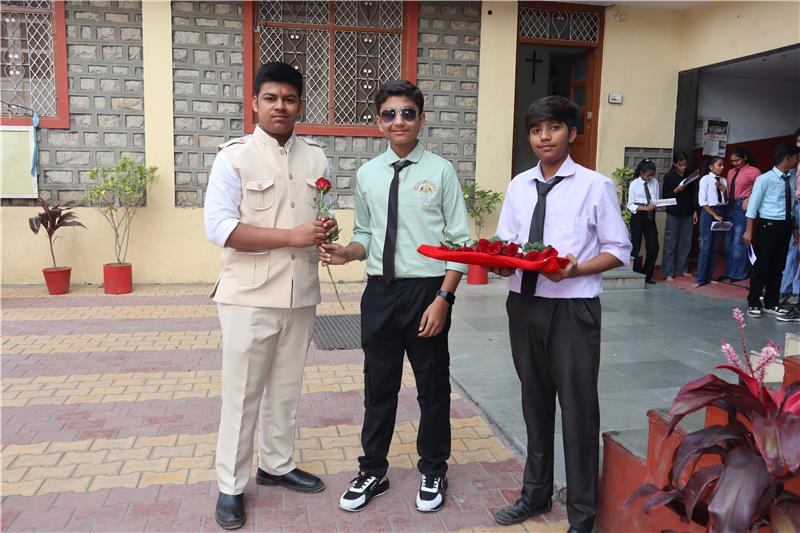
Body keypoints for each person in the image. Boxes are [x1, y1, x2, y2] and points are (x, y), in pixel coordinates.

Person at [319, 80, 471, 513]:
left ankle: (434, 468)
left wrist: (443, 299)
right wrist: (347, 252)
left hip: (427, 292)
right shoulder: (368, 174)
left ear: (421, 119)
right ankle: (373, 470)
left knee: (432, 387)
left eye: (407, 113)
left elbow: (459, 243)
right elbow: (365, 233)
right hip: (380, 293)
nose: (399, 120)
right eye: (389, 113)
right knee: (378, 387)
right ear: (378, 122)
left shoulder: (440, 171)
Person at [488, 96, 632, 532]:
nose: (544, 137)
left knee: (578, 409)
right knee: (534, 403)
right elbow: (507, 242)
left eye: (553, 128)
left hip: (572, 309)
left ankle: (583, 515)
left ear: (572, 132)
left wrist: (576, 269)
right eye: (536, 130)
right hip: (523, 305)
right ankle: (535, 493)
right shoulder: (519, 186)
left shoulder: (594, 186)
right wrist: (500, 262)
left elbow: (618, 249)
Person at [204, 62, 336, 530]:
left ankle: (277, 465)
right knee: (242, 395)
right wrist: (292, 236)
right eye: (271, 98)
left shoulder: (316, 158)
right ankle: (231, 485)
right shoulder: (234, 158)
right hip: (249, 296)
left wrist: (324, 230)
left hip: (301, 293)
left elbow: (317, 213)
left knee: (285, 389)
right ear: (255, 103)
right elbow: (219, 228)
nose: (281, 106)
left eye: (290, 99)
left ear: (300, 105)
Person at [744, 143, 800, 319]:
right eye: (796, 157)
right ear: (787, 158)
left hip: (785, 226)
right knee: (762, 265)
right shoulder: (765, 179)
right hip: (767, 226)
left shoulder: (791, 178)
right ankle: (753, 302)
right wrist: (748, 231)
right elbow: (752, 207)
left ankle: (771, 302)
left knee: (778, 266)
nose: (798, 160)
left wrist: (795, 229)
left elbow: (791, 207)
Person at [720, 148, 760, 282]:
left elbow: (760, 190)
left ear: (745, 158)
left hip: (742, 207)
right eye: (732, 161)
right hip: (729, 206)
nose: (734, 163)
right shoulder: (731, 172)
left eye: (737, 160)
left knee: (739, 241)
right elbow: (730, 190)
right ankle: (729, 271)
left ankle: (739, 273)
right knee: (728, 242)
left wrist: (749, 199)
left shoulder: (754, 172)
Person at [660, 152, 697, 282]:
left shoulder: (690, 175)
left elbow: (693, 195)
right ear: (675, 164)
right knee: (670, 242)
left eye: (685, 165)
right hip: (673, 212)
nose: (683, 167)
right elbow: (665, 196)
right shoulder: (669, 177)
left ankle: (682, 268)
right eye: (681, 165)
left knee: (685, 242)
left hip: (687, 212)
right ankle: (668, 272)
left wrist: (695, 211)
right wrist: (676, 190)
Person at [692, 156, 727, 288]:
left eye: (723, 165)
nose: (722, 167)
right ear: (711, 167)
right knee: (705, 245)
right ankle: (700, 279)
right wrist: (714, 215)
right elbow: (702, 202)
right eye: (719, 165)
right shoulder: (705, 179)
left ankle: (709, 276)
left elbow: (726, 200)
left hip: (720, 210)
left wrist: (724, 190)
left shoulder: (723, 180)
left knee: (715, 246)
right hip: (709, 212)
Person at [627, 158, 660, 284]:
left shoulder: (654, 182)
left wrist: (656, 205)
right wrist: (645, 208)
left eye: (652, 175)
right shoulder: (634, 184)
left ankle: (647, 275)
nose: (650, 177)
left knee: (653, 246)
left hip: (651, 215)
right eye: (648, 175)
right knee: (636, 245)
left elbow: (656, 198)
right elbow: (630, 204)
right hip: (638, 215)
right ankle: (636, 274)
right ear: (641, 172)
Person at [779, 128, 800, 308]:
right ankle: (785, 288)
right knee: (792, 247)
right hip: (796, 206)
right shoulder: (796, 163)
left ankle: (796, 290)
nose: (798, 144)